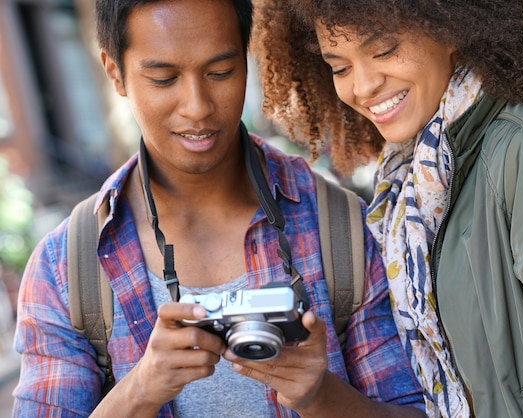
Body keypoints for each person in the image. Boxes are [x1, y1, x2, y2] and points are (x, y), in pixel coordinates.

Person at [12, 0, 428, 416]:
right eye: (163, 78)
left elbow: (422, 408)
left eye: (220, 73)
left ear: (246, 62)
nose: (197, 106)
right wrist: (141, 389)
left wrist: (320, 396)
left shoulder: (343, 229)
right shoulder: (64, 268)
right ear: (115, 73)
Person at [251, 1, 523, 417]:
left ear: (451, 26)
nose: (363, 85)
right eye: (339, 67)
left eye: (384, 49)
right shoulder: (417, 182)